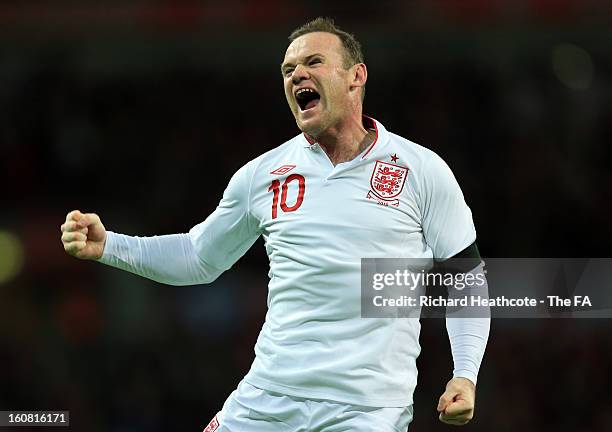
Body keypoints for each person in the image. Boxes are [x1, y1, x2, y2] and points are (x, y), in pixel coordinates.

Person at [60, 17, 489, 431]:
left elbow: (466, 280)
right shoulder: (263, 175)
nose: (296, 74)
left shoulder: (420, 170)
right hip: (267, 398)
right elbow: (198, 256)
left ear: (356, 76)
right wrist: (110, 246)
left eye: (313, 62)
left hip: (366, 410)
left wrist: (464, 374)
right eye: (288, 69)